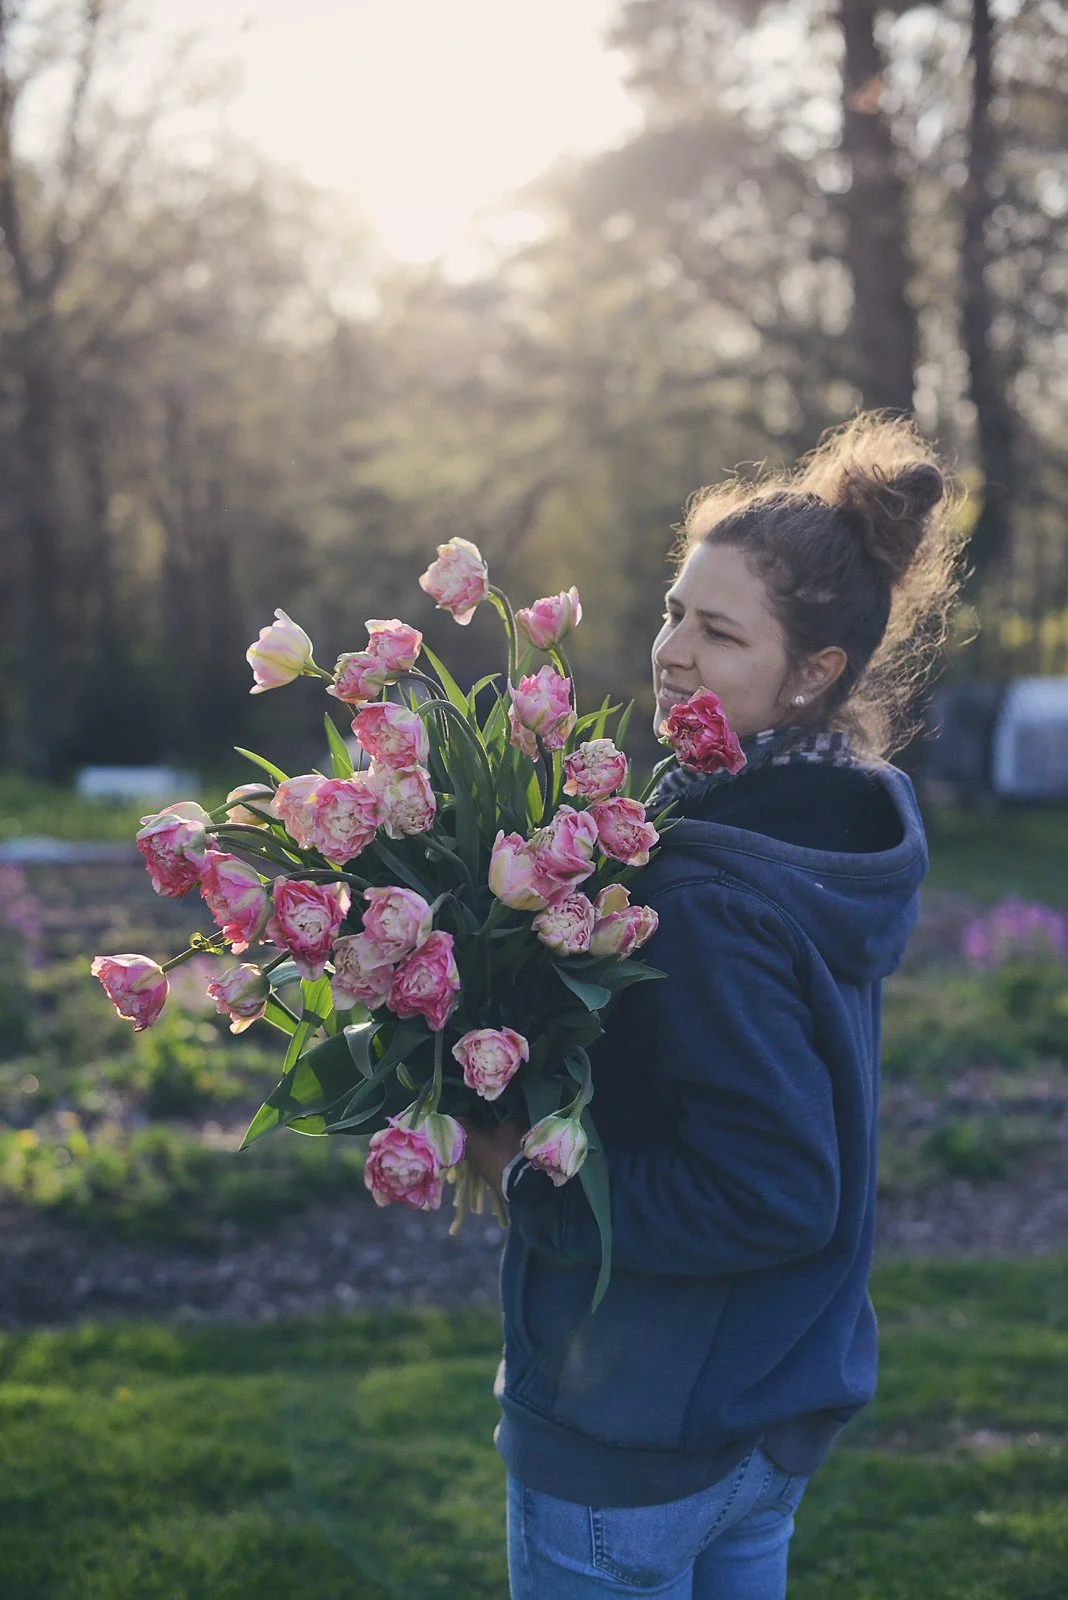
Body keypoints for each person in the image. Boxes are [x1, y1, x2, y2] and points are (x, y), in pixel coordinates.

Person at [464, 413, 965, 1599]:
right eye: (673, 612)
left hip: (638, 1434)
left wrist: (526, 1169)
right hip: (763, 1409)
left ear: (814, 673)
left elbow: (775, 1187)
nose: (673, 653)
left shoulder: (704, 893)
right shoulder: (825, 834)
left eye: (720, 631)